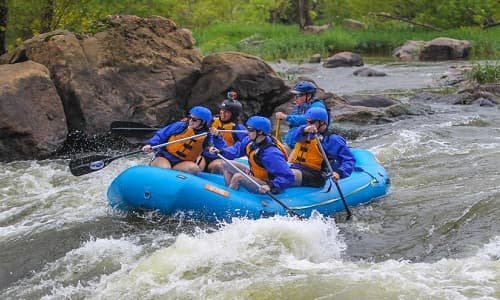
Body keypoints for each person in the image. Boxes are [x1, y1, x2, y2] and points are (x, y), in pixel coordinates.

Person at [209, 116, 294, 194]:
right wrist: (220, 151)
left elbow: (288, 177)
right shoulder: (249, 141)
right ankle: (231, 191)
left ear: (260, 132)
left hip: (265, 182)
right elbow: (235, 151)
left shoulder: (271, 153)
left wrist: (270, 186)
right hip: (253, 174)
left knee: (238, 177)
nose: (247, 132)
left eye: (250, 129)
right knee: (225, 163)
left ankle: (229, 197)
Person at [141, 106, 225, 174]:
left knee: (194, 169)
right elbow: (161, 135)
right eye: (190, 118)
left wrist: (217, 136)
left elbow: (217, 147)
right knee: (165, 169)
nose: (191, 121)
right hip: (164, 157)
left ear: (203, 122)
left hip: (182, 163)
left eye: (194, 120)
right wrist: (150, 145)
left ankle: (175, 178)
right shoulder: (180, 126)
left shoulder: (207, 134)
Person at [289, 107, 355, 187]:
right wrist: (304, 130)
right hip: (297, 167)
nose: (308, 124)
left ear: (322, 122)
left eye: (312, 122)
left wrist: (339, 172)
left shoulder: (332, 139)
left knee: (287, 175)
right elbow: (293, 138)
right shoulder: (304, 131)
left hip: (317, 175)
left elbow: (349, 160)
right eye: (307, 121)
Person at [275, 81, 328, 151]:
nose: (295, 98)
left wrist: (286, 117)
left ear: (308, 96)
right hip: (294, 144)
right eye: (295, 95)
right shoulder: (301, 106)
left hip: (308, 146)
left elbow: (307, 119)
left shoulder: (317, 106)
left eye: (298, 95)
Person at [206, 98, 247, 173]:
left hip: (222, 156)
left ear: (234, 114)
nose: (222, 113)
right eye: (222, 110)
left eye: (226, 112)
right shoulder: (212, 120)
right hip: (207, 152)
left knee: (217, 166)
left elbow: (243, 147)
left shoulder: (238, 129)